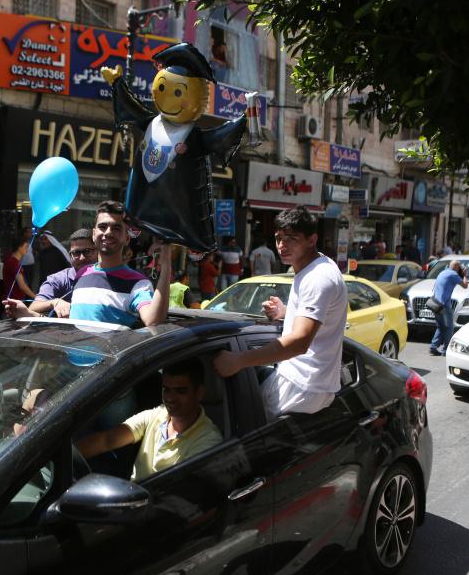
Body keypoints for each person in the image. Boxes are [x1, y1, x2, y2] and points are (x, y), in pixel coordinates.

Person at [213, 206, 347, 417]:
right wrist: (286, 312)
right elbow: (319, 319)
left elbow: (300, 341)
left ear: (312, 240)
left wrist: (239, 360)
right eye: (278, 238)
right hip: (306, 385)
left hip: (300, 387)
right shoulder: (315, 268)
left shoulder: (318, 278)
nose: (282, 246)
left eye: (292, 239)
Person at [5, 201, 173, 328]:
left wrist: (166, 265)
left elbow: (153, 320)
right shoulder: (83, 274)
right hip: (74, 365)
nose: (108, 232)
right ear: (94, 235)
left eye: (116, 228)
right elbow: (71, 326)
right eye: (103, 226)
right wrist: (27, 314)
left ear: (127, 238)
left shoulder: (138, 283)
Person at [76, 359, 222, 481]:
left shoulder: (208, 441)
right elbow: (108, 440)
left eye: (180, 391)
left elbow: (180, 492)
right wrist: (67, 458)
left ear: (199, 393)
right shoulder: (158, 414)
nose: (170, 398)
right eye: (166, 389)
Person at [23, 229, 97, 318]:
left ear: (97, 252)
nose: (82, 258)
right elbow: (34, 307)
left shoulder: (107, 277)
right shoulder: (58, 279)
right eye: (76, 253)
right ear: (70, 256)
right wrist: (55, 302)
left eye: (87, 251)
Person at [430, 259, 468, 356]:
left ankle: (433, 347)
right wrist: (464, 275)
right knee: (449, 328)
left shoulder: (443, 272)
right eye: (459, 267)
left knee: (441, 327)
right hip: (444, 305)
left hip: (435, 303)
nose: (460, 269)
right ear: (456, 267)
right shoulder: (453, 274)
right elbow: (465, 285)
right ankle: (446, 350)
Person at [2, 235, 37, 303]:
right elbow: (22, 285)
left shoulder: (12, 260)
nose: (27, 249)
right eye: (26, 246)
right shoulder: (13, 262)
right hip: (14, 300)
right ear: (19, 247)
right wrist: (35, 297)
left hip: (14, 299)